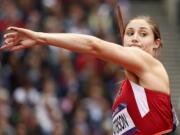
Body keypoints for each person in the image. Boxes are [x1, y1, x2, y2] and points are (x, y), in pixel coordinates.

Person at [0, 16, 178, 135]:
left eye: (143, 34)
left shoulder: (151, 64)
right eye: (129, 33)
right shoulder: (125, 89)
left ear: (156, 43)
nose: (134, 38)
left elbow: (94, 46)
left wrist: (40, 37)